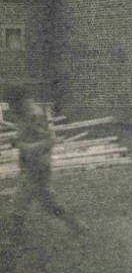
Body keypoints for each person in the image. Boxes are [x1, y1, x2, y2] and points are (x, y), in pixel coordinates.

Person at [6, 84, 83, 235]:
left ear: (19, 100)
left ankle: (13, 237)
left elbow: (48, 141)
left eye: (11, 103)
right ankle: (78, 226)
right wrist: (18, 139)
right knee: (46, 201)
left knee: (21, 201)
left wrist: (22, 145)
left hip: (38, 166)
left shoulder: (34, 114)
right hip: (30, 165)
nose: (10, 107)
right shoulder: (24, 114)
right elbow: (30, 135)